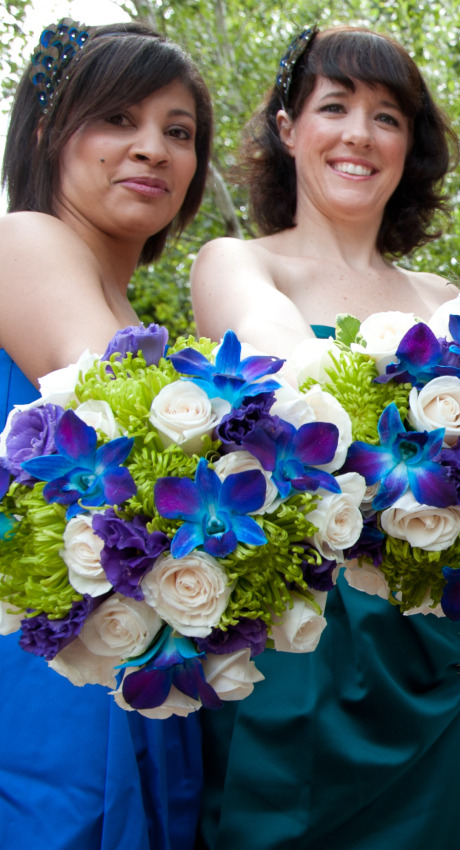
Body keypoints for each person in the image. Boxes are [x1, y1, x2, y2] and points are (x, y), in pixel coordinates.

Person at [188, 27, 460, 849]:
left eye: (386, 116)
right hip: (299, 650)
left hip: (433, 655)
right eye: (335, 107)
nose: (360, 134)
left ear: (409, 145)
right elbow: (274, 353)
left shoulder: (450, 296)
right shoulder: (238, 262)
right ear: (288, 129)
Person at [0, 20, 212, 849]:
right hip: (42, 690)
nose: (152, 148)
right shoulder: (26, 238)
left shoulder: (136, 315)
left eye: (178, 131)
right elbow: (118, 417)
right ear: (50, 133)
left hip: (128, 668)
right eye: (118, 119)